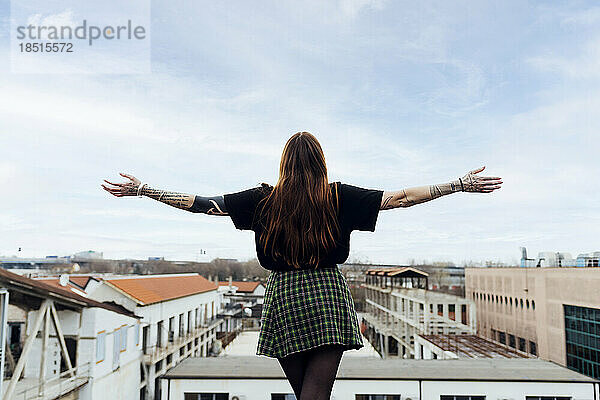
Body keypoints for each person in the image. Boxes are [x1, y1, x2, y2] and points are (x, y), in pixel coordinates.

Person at [101, 131, 502, 400]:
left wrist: (143, 190)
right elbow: (401, 198)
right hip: (327, 294)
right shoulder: (338, 196)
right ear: (321, 162)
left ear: (284, 164)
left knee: (307, 394)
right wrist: (458, 185)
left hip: (285, 297)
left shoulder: (261, 199)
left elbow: (201, 205)